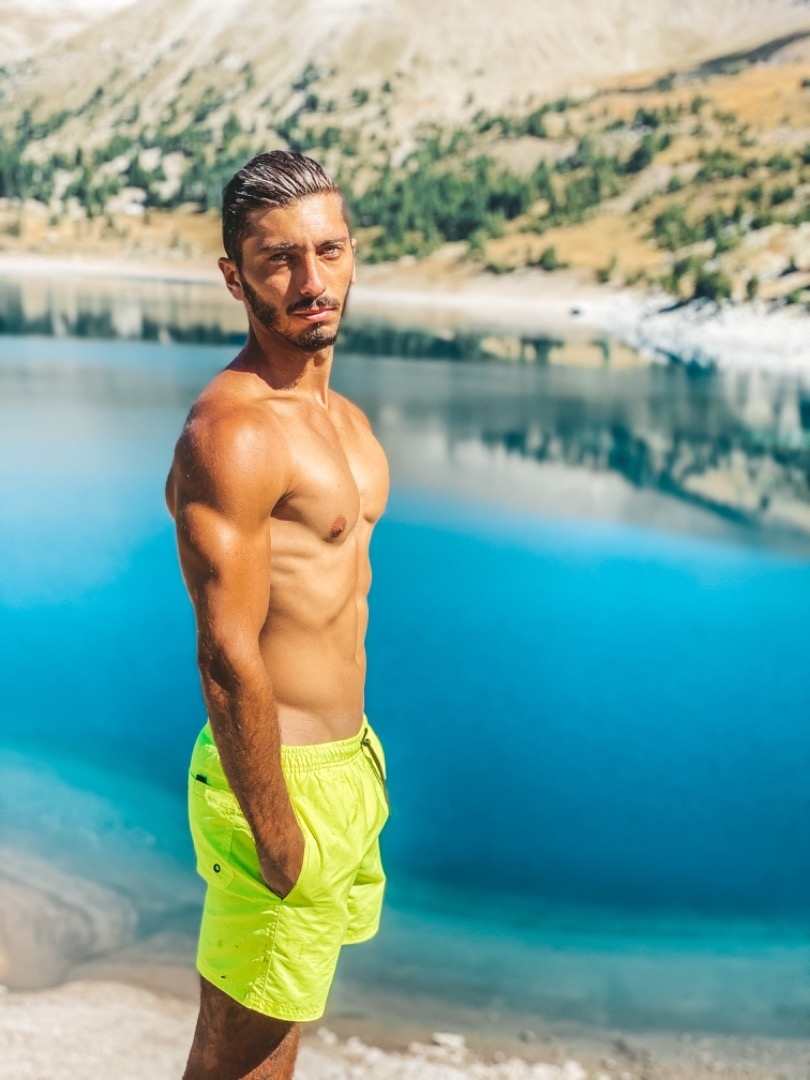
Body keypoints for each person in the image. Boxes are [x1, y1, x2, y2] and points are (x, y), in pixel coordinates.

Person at [165, 151, 390, 1080]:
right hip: (278, 778)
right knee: (240, 1061)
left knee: (279, 1036)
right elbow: (226, 652)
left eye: (328, 250)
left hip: (347, 767)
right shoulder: (236, 433)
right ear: (235, 277)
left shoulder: (346, 422)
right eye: (278, 260)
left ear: (351, 253)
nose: (311, 281)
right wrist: (274, 828)